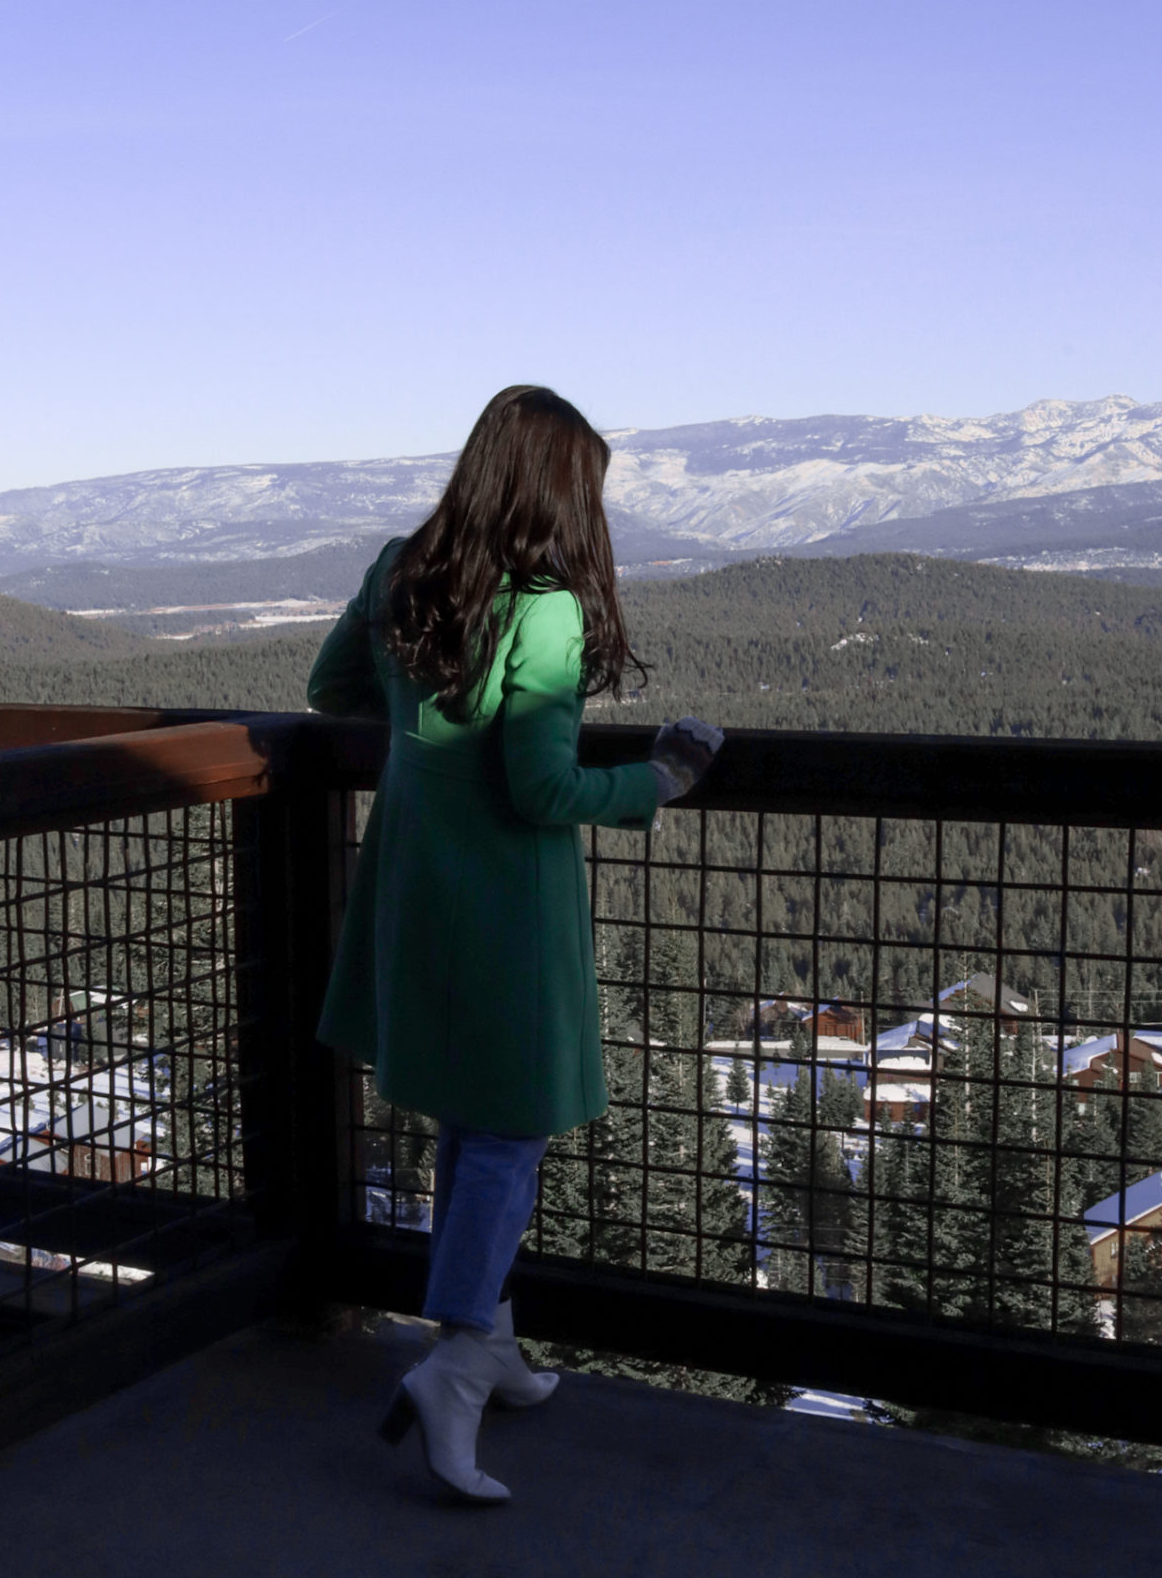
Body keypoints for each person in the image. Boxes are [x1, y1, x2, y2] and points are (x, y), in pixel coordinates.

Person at [306, 385, 723, 1503]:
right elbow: (539, 787)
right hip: (502, 901)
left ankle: (486, 1346)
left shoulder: (401, 567)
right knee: (512, 1126)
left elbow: (328, 688)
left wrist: (417, 746)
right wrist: (661, 781)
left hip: (411, 884)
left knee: (467, 1118)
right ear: (552, 489)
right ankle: (452, 1361)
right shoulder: (543, 611)